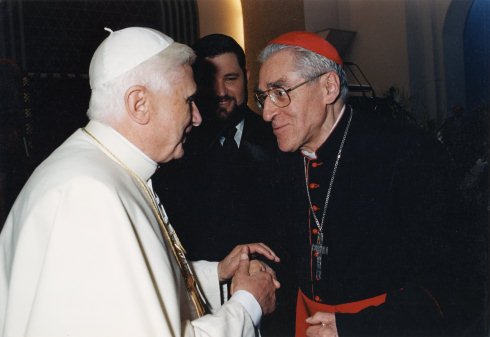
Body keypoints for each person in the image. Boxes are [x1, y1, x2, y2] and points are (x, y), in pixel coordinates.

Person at [0, 27, 281, 337]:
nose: (198, 117)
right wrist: (246, 304)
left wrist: (215, 273)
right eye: (188, 100)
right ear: (139, 104)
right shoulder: (86, 194)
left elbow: (136, 287)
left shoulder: (106, 170)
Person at [255, 31, 470, 337]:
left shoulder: (407, 153)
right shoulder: (282, 160)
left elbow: (452, 280)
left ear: (329, 87)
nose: (266, 113)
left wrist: (357, 326)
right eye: (263, 97)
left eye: (280, 92)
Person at [153, 34, 279, 261]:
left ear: (247, 77)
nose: (221, 92)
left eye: (231, 78)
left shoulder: (278, 138)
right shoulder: (177, 149)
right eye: (210, 81)